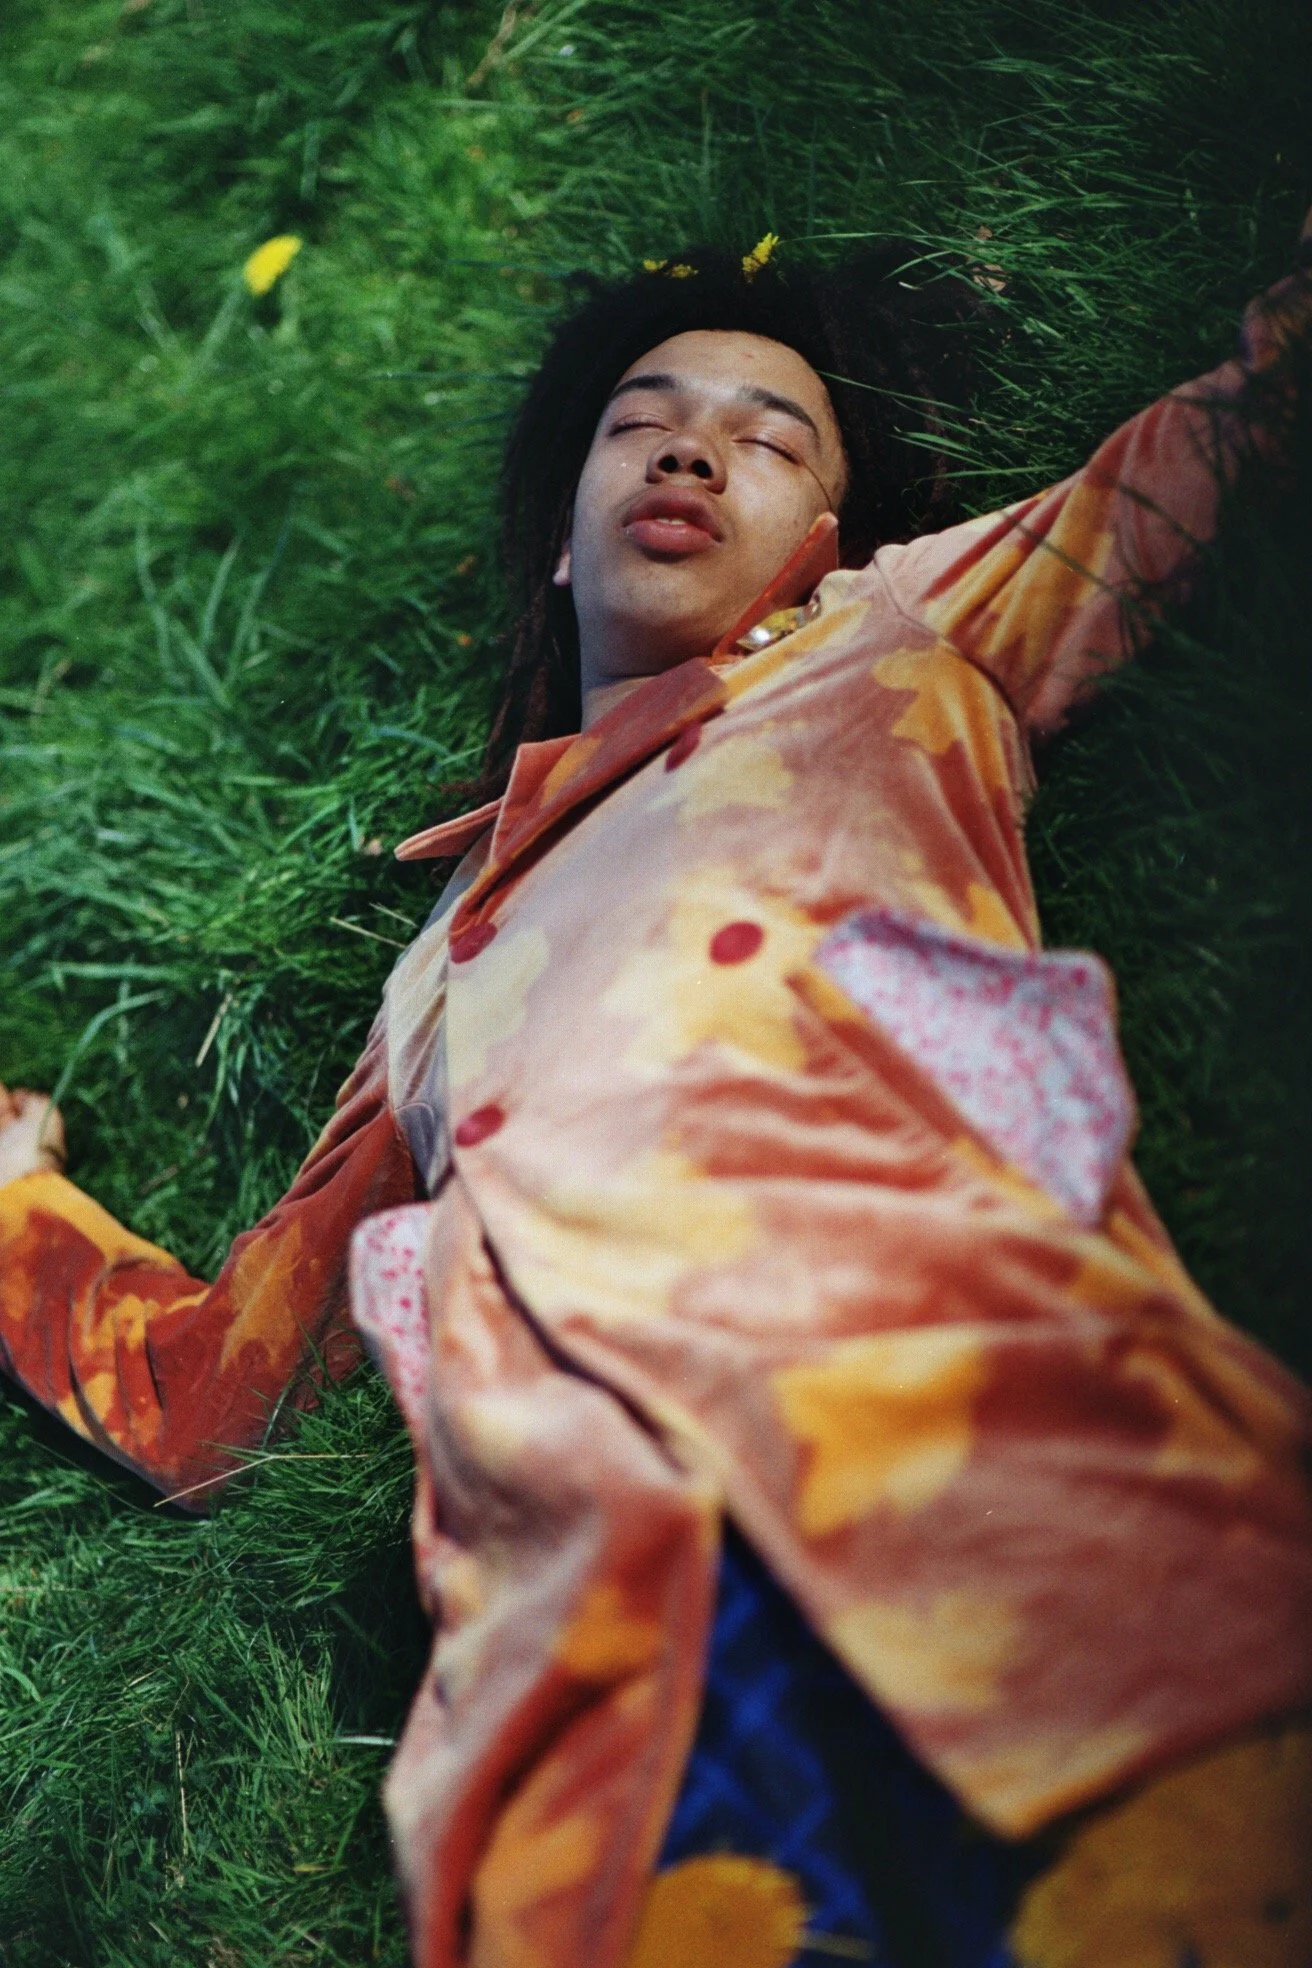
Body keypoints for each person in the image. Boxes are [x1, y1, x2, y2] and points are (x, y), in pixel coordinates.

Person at [2, 222, 1312, 1968]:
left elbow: (1203, 462)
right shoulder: (438, 980)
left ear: (828, 542)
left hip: (1014, 1484)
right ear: (559, 552)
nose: (696, 447)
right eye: (646, 419)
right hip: (627, 1702)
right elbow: (212, 1400)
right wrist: (17, 1201)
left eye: (771, 435)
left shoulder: (895, 645)